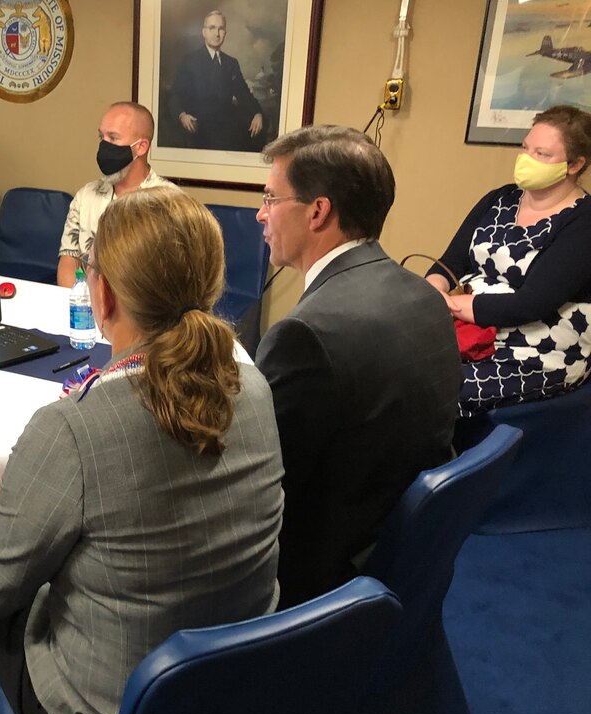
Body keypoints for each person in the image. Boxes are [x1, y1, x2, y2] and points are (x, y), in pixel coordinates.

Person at [0, 187, 284, 714]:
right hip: (238, 677)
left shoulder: (71, 427)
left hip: (108, 704)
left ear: (103, 295)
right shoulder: (256, 387)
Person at [253, 124, 462, 608]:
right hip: (397, 549)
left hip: (319, 578)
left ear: (319, 211)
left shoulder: (305, 334)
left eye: (270, 198)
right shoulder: (423, 296)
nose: (261, 214)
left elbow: (256, 485)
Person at [427, 105, 591, 417]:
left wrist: (449, 306)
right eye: (525, 148)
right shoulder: (499, 199)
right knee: (387, 370)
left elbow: (532, 303)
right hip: (468, 330)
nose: (527, 159)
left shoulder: (583, 221)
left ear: (575, 164)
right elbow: (450, 263)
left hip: (536, 352)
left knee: (430, 391)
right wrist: (432, 289)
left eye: (542, 154)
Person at [57, 101, 177, 287]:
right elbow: (68, 261)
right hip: (85, 310)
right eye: (101, 137)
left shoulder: (170, 203)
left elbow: (171, 280)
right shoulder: (86, 197)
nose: (105, 146)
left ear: (141, 147)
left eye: (113, 138)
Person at [168, 10, 264, 152]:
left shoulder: (231, 63)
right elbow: (175, 95)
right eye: (212, 28)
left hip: (226, 128)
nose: (217, 34)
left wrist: (257, 113)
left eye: (221, 29)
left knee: (256, 134)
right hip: (199, 128)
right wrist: (182, 115)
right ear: (204, 32)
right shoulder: (190, 61)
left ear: (225, 33)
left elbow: (243, 94)